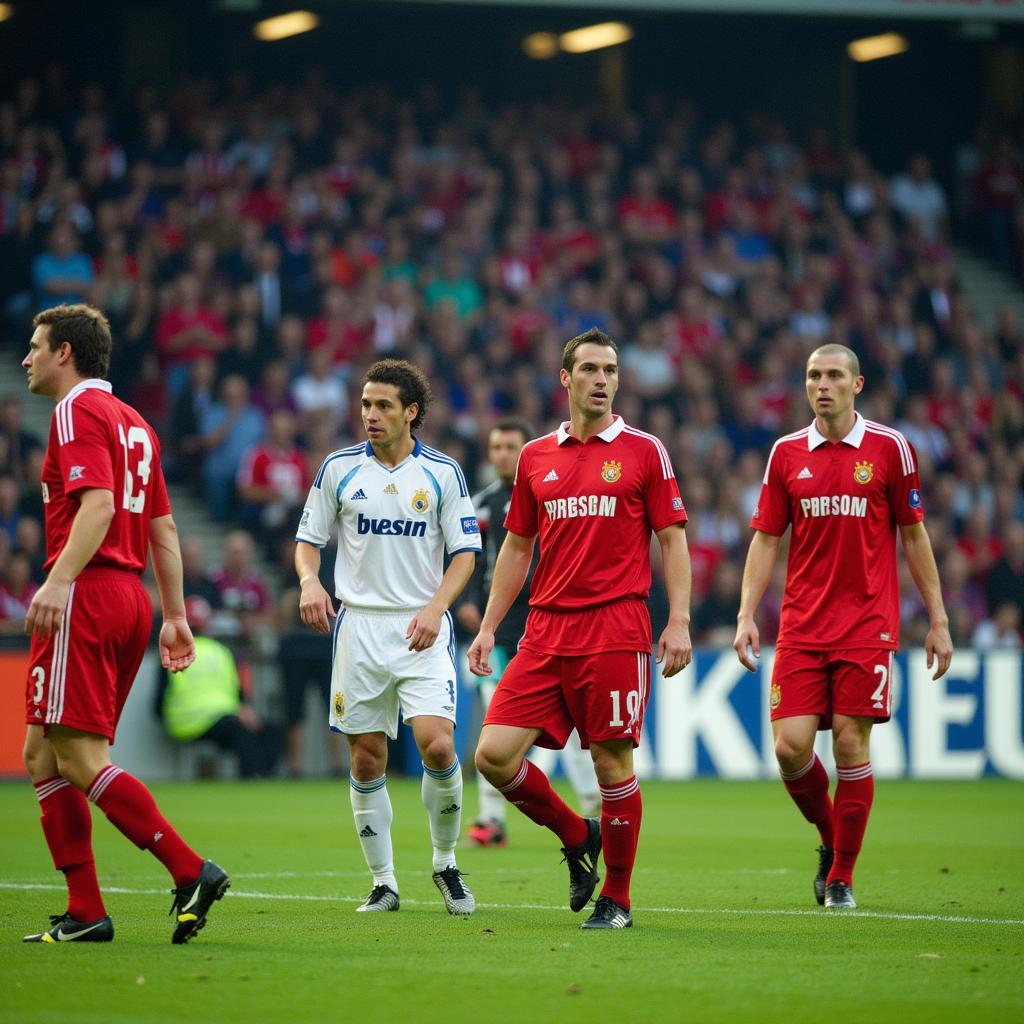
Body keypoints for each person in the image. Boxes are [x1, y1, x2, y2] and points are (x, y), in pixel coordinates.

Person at [469, 327, 693, 930]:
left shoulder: (646, 451)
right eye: (590, 369)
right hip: (543, 631)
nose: (602, 379)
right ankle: (576, 833)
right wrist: (490, 626)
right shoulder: (535, 457)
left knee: (610, 764)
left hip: (615, 626)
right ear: (565, 379)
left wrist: (677, 620)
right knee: (491, 756)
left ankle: (616, 897)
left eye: (611, 370)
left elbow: (672, 539)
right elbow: (516, 547)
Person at [19, 303, 229, 944]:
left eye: (36, 346)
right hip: (129, 595)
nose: (25, 358)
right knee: (42, 753)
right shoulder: (135, 422)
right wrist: (173, 614)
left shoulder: (74, 410)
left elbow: (101, 503)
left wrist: (57, 580)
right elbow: (163, 528)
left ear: (65, 353)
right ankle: (86, 910)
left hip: (85, 590)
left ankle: (190, 869)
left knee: (80, 757)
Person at [732, 342, 953, 911]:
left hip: (866, 626)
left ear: (856, 385)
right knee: (789, 749)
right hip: (803, 625)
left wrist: (938, 619)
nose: (821, 384)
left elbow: (913, 534)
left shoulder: (891, 448)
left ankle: (842, 880)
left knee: (852, 744)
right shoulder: (785, 454)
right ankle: (832, 841)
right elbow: (766, 539)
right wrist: (745, 614)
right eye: (812, 375)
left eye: (833, 375)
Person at [294, 358, 481, 915]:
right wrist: (309, 581)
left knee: (439, 745)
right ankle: (383, 882)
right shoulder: (338, 469)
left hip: (421, 625)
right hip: (359, 627)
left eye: (382, 406)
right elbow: (309, 539)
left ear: (411, 412)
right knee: (367, 760)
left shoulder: (443, 473)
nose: (370, 416)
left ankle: (446, 865)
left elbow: (466, 553)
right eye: (365, 405)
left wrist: (436, 607)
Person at [456, 418, 599, 847]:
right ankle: (492, 819)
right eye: (496, 447)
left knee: (573, 723)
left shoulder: (549, 489)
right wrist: (474, 612)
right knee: (495, 723)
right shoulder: (481, 506)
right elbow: (472, 564)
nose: (502, 454)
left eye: (510, 446)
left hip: (551, 627)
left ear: (526, 449)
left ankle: (594, 807)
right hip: (502, 636)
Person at [156, 595, 282, 779]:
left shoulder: (172, 652)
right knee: (260, 729)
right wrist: (243, 710)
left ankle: (260, 776)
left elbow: (158, 702)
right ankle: (255, 779)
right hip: (203, 720)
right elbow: (238, 693)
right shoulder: (221, 652)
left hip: (201, 719)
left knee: (267, 729)